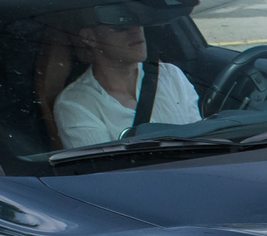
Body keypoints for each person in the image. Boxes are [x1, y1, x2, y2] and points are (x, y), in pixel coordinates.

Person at [52, 16, 201, 146]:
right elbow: (107, 172)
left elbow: (201, 141)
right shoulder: (75, 105)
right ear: (89, 37)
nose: (136, 29)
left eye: (137, 20)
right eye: (120, 24)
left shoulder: (171, 76)